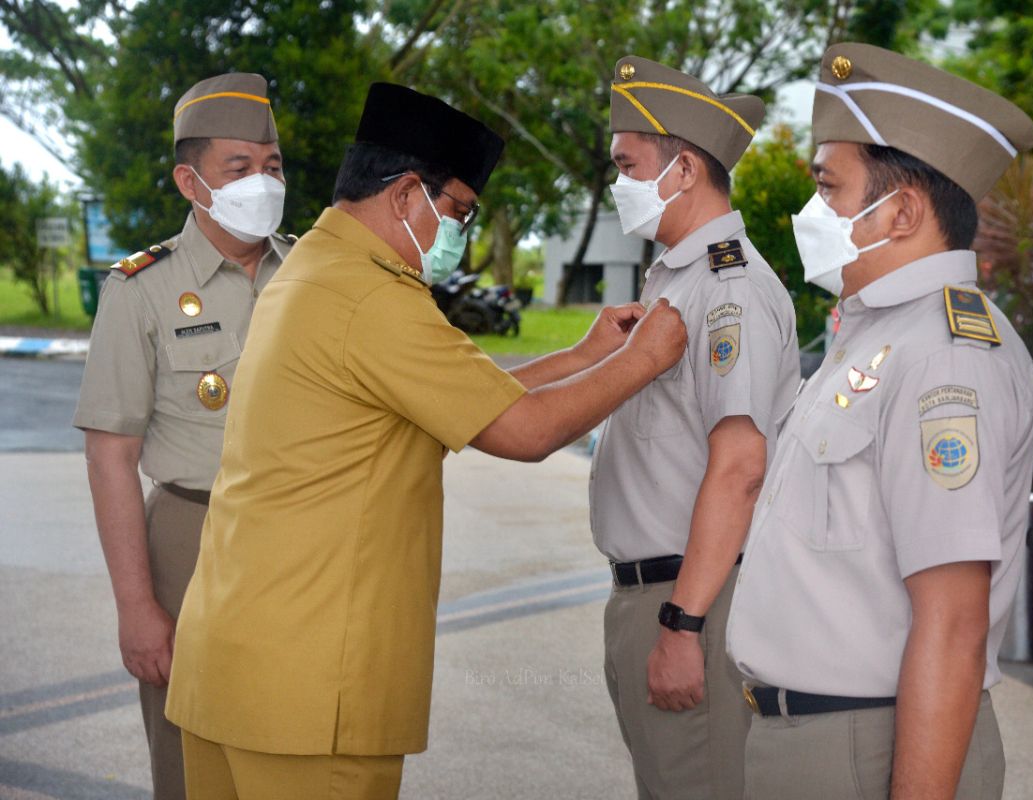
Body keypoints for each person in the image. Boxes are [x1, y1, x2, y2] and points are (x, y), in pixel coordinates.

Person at [163, 82, 687, 798]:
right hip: (311, 693)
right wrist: (645, 359)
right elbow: (524, 432)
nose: (458, 234)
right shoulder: (374, 296)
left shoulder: (315, 269)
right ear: (407, 193)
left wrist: (581, 356)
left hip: (232, 668)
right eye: (457, 212)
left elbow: (453, 395)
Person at [726, 42, 1033, 799]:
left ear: (902, 211)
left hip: (869, 749)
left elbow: (954, 625)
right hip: (816, 739)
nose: (812, 213)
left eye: (829, 189)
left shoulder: (943, 358)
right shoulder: (877, 332)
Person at [73, 72, 291, 800]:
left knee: (294, 750)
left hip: (303, 542)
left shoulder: (314, 274)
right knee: (190, 761)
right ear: (190, 181)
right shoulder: (142, 288)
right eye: (239, 168)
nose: (261, 182)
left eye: (273, 167)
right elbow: (111, 453)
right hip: (190, 539)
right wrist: (137, 607)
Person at [591, 56, 801, 799]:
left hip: (693, 598)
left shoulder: (727, 287)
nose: (616, 182)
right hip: (660, 595)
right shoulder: (678, 275)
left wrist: (682, 625)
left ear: (682, 170)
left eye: (628, 165)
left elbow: (741, 465)